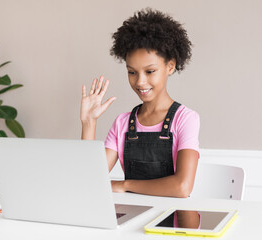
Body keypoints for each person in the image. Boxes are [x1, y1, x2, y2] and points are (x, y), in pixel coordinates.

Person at [80, 8, 200, 197]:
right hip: (131, 216)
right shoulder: (122, 123)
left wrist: (125, 185)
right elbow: (89, 179)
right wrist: (89, 123)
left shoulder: (185, 119)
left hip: (171, 221)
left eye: (150, 71)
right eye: (132, 72)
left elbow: (182, 187)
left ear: (170, 66)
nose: (140, 82)